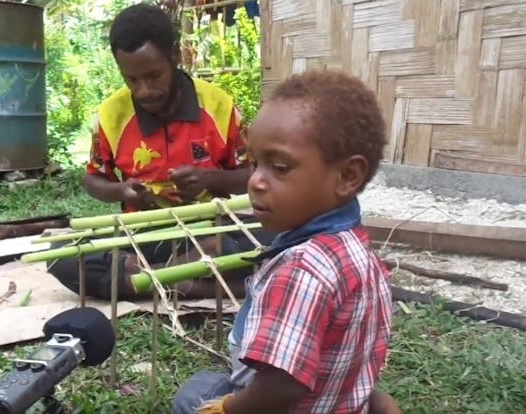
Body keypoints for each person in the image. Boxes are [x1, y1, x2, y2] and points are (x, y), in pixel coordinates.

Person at [171, 69, 401, 414]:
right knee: (208, 382)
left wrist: (225, 410)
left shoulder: (301, 271)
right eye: (254, 164)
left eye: (279, 167)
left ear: (347, 177)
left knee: (192, 397)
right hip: (337, 400)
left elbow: (281, 387)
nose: (255, 182)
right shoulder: (358, 251)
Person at [47, 3, 274, 301]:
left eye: (154, 76)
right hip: (141, 236)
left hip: (210, 231)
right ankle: (185, 280)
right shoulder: (111, 116)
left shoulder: (219, 106)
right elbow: (93, 180)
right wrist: (122, 191)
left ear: (175, 55)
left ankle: (143, 280)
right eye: (132, 79)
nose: (143, 91)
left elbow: (255, 175)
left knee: (276, 240)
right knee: (60, 256)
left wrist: (210, 179)